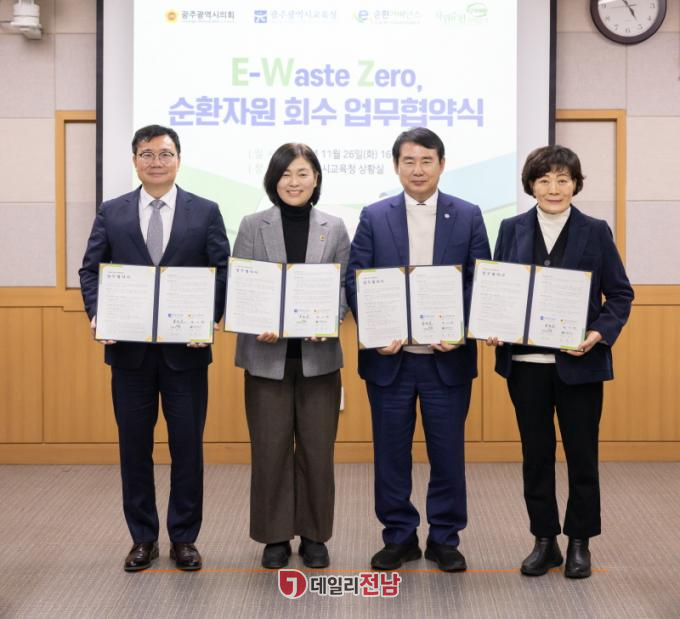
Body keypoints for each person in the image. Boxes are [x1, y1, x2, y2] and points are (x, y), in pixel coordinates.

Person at [79, 125, 230, 572]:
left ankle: (184, 538)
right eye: (147, 154)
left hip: (187, 352)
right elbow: (91, 270)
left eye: (165, 153)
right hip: (130, 355)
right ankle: (142, 538)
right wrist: (98, 314)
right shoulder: (112, 211)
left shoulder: (205, 211)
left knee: (187, 448)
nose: (156, 162)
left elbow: (221, 270)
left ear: (178, 159)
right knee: (134, 448)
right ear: (134, 160)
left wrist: (209, 318)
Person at [346, 127, 490, 572]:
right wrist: (376, 328)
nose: (418, 169)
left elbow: (479, 279)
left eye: (427, 160)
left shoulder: (467, 214)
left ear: (441, 164)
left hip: (447, 357)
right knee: (391, 454)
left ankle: (445, 538)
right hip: (390, 359)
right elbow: (356, 278)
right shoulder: (374, 215)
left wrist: (460, 328)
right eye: (409, 161)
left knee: (448, 454)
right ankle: (399, 536)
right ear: (396, 166)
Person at [487, 145, 633, 578]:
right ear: (531, 185)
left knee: (582, 455)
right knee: (536, 455)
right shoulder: (510, 228)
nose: (554, 188)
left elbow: (620, 294)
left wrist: (597, 335)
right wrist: (493, 324)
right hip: (525, 365)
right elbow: (498, 290)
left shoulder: (596, 230)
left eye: (563, 180)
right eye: (544, 179)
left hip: (580, 365)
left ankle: (580, 542)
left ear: (575, 185)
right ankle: (545, 540)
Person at [232, 143, 350, 569]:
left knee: (318, 451)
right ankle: (275, 537)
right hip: (266, 357)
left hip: (319, 359)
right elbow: (242, 284)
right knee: (270, 450)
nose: (294, 182)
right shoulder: (252, 225)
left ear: (316, 178)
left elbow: (344, 285)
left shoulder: (334, 227)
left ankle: (315, 536)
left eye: (302, 173)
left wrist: (330, 319)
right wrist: (254, 320)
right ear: (273, 180)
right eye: (285, 174)